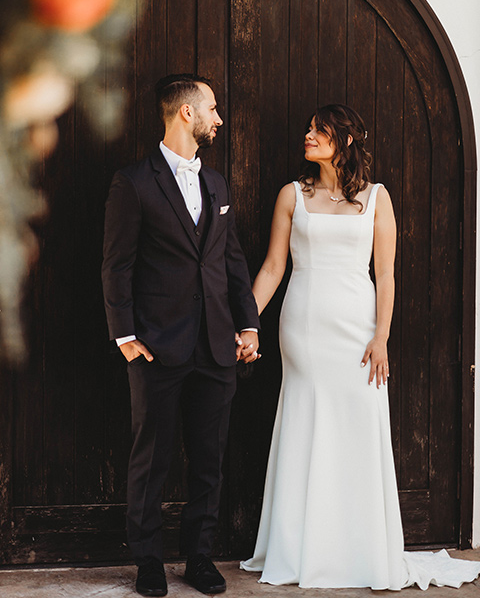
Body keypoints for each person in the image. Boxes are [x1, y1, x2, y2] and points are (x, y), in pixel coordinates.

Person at [240, 104, 480, 590]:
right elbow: (271, 269)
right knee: (306, 421)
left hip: (358, 327)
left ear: (344, 140)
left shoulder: (377, 198)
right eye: (307, 128)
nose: (307, 136)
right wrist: (245, 325)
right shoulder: (293, 195)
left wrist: (381, 336)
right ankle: (300, 548)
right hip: (304, 326)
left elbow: (386, 274)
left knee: (357, 427)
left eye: (318, 130)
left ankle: (358, 548)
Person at [102, 74, 260, 597]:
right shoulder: (135, 181)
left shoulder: (216, 184)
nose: (219, 117)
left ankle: (199, 557)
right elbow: (117, 265)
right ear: (186, 114)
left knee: (209, 459)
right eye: (212, 107)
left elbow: (231, 260)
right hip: (157, 346)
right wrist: (125, 335)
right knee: (152, 458)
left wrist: (248, 322)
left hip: (217, 345)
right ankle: (148, 561)